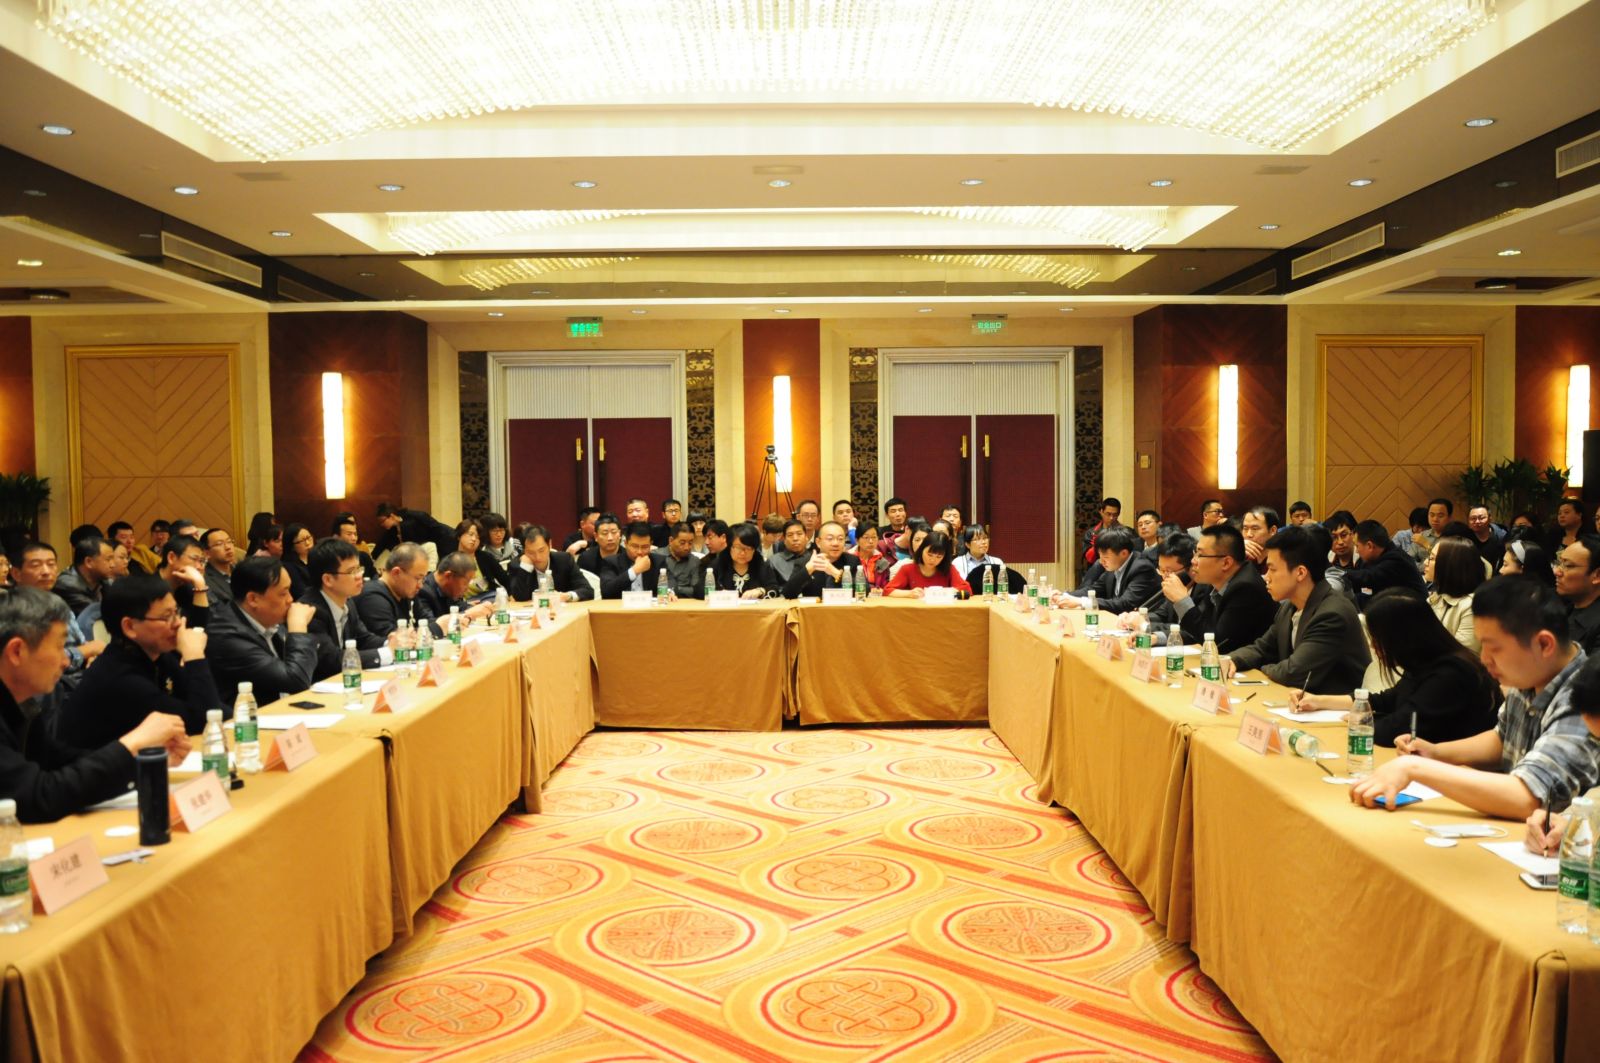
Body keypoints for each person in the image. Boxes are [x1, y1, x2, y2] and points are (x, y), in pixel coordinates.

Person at [1351, 576, 1600, 820]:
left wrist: (1416, 768)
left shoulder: (1584, 699)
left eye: (1494, 648)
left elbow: (1528, 797)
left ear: (1544, 644)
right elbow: (1502, 739)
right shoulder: (1530, 676)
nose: (1484, 659)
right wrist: (1435, 752)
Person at [0, 587, 189, 824]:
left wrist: (140, 758)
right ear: (17, 651)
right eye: (59, 647)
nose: (66, 660)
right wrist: (131, 744)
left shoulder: (23, 702)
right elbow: (39, 796)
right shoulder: (118, 674)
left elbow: (57, 762)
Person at [1291, 588, 1500, 747]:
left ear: (1400, 638)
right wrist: (1318, 701)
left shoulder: (1451, 673)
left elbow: (1398, 727)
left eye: (1377, 639)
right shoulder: (1424, 662)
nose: (1373, 646)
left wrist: (1360, 720)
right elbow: (1387, 700)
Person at [56, 575, 222, 748]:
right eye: (167, 617)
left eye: (176, 612)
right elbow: (205, 722)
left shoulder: (156, 655)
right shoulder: (120, 679)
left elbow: (214, 710)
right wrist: (195, 656)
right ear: (129, 627)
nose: (178, 624)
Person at [1221, 525, 1371, 693]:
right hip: (1297, 699)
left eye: (1272, 569)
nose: (1266, 577)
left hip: (1333, 705)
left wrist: (1260, 670)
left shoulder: (1332, 614)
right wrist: (1233, 660)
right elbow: (1262, 648)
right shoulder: (1290, 606)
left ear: (1300, 573)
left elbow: (1294, 672)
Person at [206, 557, 320, 705]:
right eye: (283, 593)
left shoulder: (269, 619)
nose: (290, 599)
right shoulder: (227, 635)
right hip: (247, 717)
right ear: (253, 599)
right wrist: (298, 628)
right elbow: (296, 681)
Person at [11, 542, 105, 687]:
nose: (46, 571)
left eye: (51, 564)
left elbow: (80, 642)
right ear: (16, 574)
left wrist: (91, 655)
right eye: (36, 565)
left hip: (79, 677)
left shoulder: (57, 602)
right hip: (46, 686)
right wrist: (86, 651)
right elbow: (36, 662)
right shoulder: (13, 609)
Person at [1171, 524, 1276, 652]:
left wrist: (1182, 601)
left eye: (1200, 554)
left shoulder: (1246, 588)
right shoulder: (1215, 581)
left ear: (1226, 563)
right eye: (1195, 552)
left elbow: (1218, 645)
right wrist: (1158, 637)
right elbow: (1203, 629)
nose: (1193, 561)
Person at [300, 538, 394, 680]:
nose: (360, 576)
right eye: (352, 571)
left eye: (359, 569)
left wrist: (391, 641)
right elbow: (331, 660)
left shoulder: (347, 601)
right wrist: (388, 653)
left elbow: (363, 639)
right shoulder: (310, 611)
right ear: (328, 580)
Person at [1056, 527, 1158, 614]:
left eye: (1105, 557)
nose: (1101, 561)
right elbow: (1094, 589)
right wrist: (1064, 595)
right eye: (1100, 556)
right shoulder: (1115, 564)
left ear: (1123, 553)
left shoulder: (1142, 568)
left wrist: (1080, 602)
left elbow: (1125, 604)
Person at [354, 543, 437, 639]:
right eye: (418, 578)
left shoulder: (405, 592)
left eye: (423, 579)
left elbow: (427, 620)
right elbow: (394, 640)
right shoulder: (372, 598)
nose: (420, 586)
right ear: (396, 573)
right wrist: (438, 627)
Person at [1344, 520, 1427, 608]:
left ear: (1369, 546)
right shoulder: (1370, 559)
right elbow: (1362, 588)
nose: (1356, 551)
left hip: (1415, 611)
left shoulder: (1396, 559)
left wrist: (1341, 573)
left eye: (1357, 546)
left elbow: (1369, 577)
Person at [1424, 535, 1485, 652]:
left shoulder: (1472, 607)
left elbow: (1463, 655)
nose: (1426, 562)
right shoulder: (1439, 596)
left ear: (1449, 565)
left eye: (1431, 558)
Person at [504, 524, 593, 602]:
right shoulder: (516, 565)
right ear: (524, 550)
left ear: (549, 544)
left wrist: (566, 596)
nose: (538, 557)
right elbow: (519, 598)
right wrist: (526, 568)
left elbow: (588, 590)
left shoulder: (564, 560)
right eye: (531, 552)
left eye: (541, 550)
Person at [696, 523, 777, 599]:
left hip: (754, 609)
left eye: (748, 548)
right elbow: (699, 588)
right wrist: (720, 592)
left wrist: (760, 591)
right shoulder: (720, 562)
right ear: (730, 546)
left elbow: (774, 588)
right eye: (738, 547)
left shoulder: (761, 563)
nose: (742, 553)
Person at [782, 521, 860, 598]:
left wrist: (835, 573)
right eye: (830, 539)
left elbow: (863, 591)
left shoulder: (852, 561)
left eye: (840, 539)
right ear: (818, 542)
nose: (835, 543)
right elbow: (788, 593)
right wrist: (808, 569)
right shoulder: (805, 562)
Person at [885, 530, 970, 597]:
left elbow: (967, 589)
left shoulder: (949, 569)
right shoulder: (907, 569)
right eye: (929, 555)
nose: (932, 560)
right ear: (921, 550)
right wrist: (909, 593)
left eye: (939, 557)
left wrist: (948, 591)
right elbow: (887, 591)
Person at [417, 551, 495, 624]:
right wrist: (468, 614)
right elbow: (429, 625)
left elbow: (460, 607)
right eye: (465, 583)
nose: (467, 589)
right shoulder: (422, 591)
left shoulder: (449, 589)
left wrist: (480, 608)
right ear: (448, 576)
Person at [1555, 533, 1600, 654]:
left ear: (1597, 575)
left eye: (1568, 565)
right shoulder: (1562, 608)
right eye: (1560, 563)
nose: (1557, 571)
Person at [156, 535, 212, 629]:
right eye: (194, 559)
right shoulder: (147, 589)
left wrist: (200, 585)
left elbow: (198, 628)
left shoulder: (188, 587)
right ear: (171, 557)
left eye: (201, 561)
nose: (199, 567)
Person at [601, 522, 667, 599]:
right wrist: (635, 571)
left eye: (644, 547)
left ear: (650, 544)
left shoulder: (658, 561)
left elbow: (671, 582)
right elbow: (606, 591)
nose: (639, 552)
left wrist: (669, 592)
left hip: (650, 606)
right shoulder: (611, 562)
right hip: (621, 606)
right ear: (625, 543)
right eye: (635, 546)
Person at [375, 502, 457, 561]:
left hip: (446, 539)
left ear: (392, 516)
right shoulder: (394, 527)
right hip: (434, 544)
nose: (382, 524)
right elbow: (383, 541)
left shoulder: (414, 518)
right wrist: (373, 557)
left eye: (382, 521)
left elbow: (437, 528)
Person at [52, 536, 113, 615]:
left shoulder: (104, 579)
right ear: (88, 562)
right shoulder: (68, 585)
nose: (113, 565)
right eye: (108, 559)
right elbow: (97, 614)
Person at [455, 518, 512, 598]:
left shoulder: (485, 557)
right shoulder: (451, 560)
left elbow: (506, 580)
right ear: (459, 536)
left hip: (488, 599)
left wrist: (511, 596)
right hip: (463, 603)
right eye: (470, 534)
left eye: (478, 537)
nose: (474, 539)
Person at [657, 522, 704, 598]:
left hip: (685, 603)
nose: (687, 547)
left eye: (690, 543)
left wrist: (673, 590)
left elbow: (696, 590)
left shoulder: (694, 561)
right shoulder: (657, 557)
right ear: (671, 540)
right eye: (682, 543)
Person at [333, 512, 379, 581]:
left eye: (355, 534)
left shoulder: (363, 557)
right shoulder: (332, 560)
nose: (354, 538)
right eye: (349, 534)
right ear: (336, 537)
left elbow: (375, 576)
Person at [577, 514, 623, 579]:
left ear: (620, 534)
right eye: (605, 533)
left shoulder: (628, 557)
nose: (610, 538)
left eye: (614, 532)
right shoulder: (586, 559)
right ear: (596, 536)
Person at [200, 527, 237, 605]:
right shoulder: (204, 579)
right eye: (219, 544)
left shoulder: (241, 570)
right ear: (206, 553)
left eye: (229, 542)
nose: (228, 547)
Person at [1082, 497, 1122, 567]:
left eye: (1115, 515)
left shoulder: (1126, 533)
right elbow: (1089, 559)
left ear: (1118, 514)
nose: (1111, 518)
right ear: (1101, 512)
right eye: (1108, 514)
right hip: (1097, 570)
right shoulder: (1091, 533)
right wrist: (1098, 542)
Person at [1466, 505, 1504, 570]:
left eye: (1481, 518)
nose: (1477, 521)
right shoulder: (1465, 537)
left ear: (1490, 519)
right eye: (1473, 518)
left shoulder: (1500, 537)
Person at [283, 523, 315, 600]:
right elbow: (301, 592)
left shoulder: (318, 556)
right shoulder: (289, 566)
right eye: (302, 541)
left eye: (308, 538)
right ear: (292, 546)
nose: (307, 543)